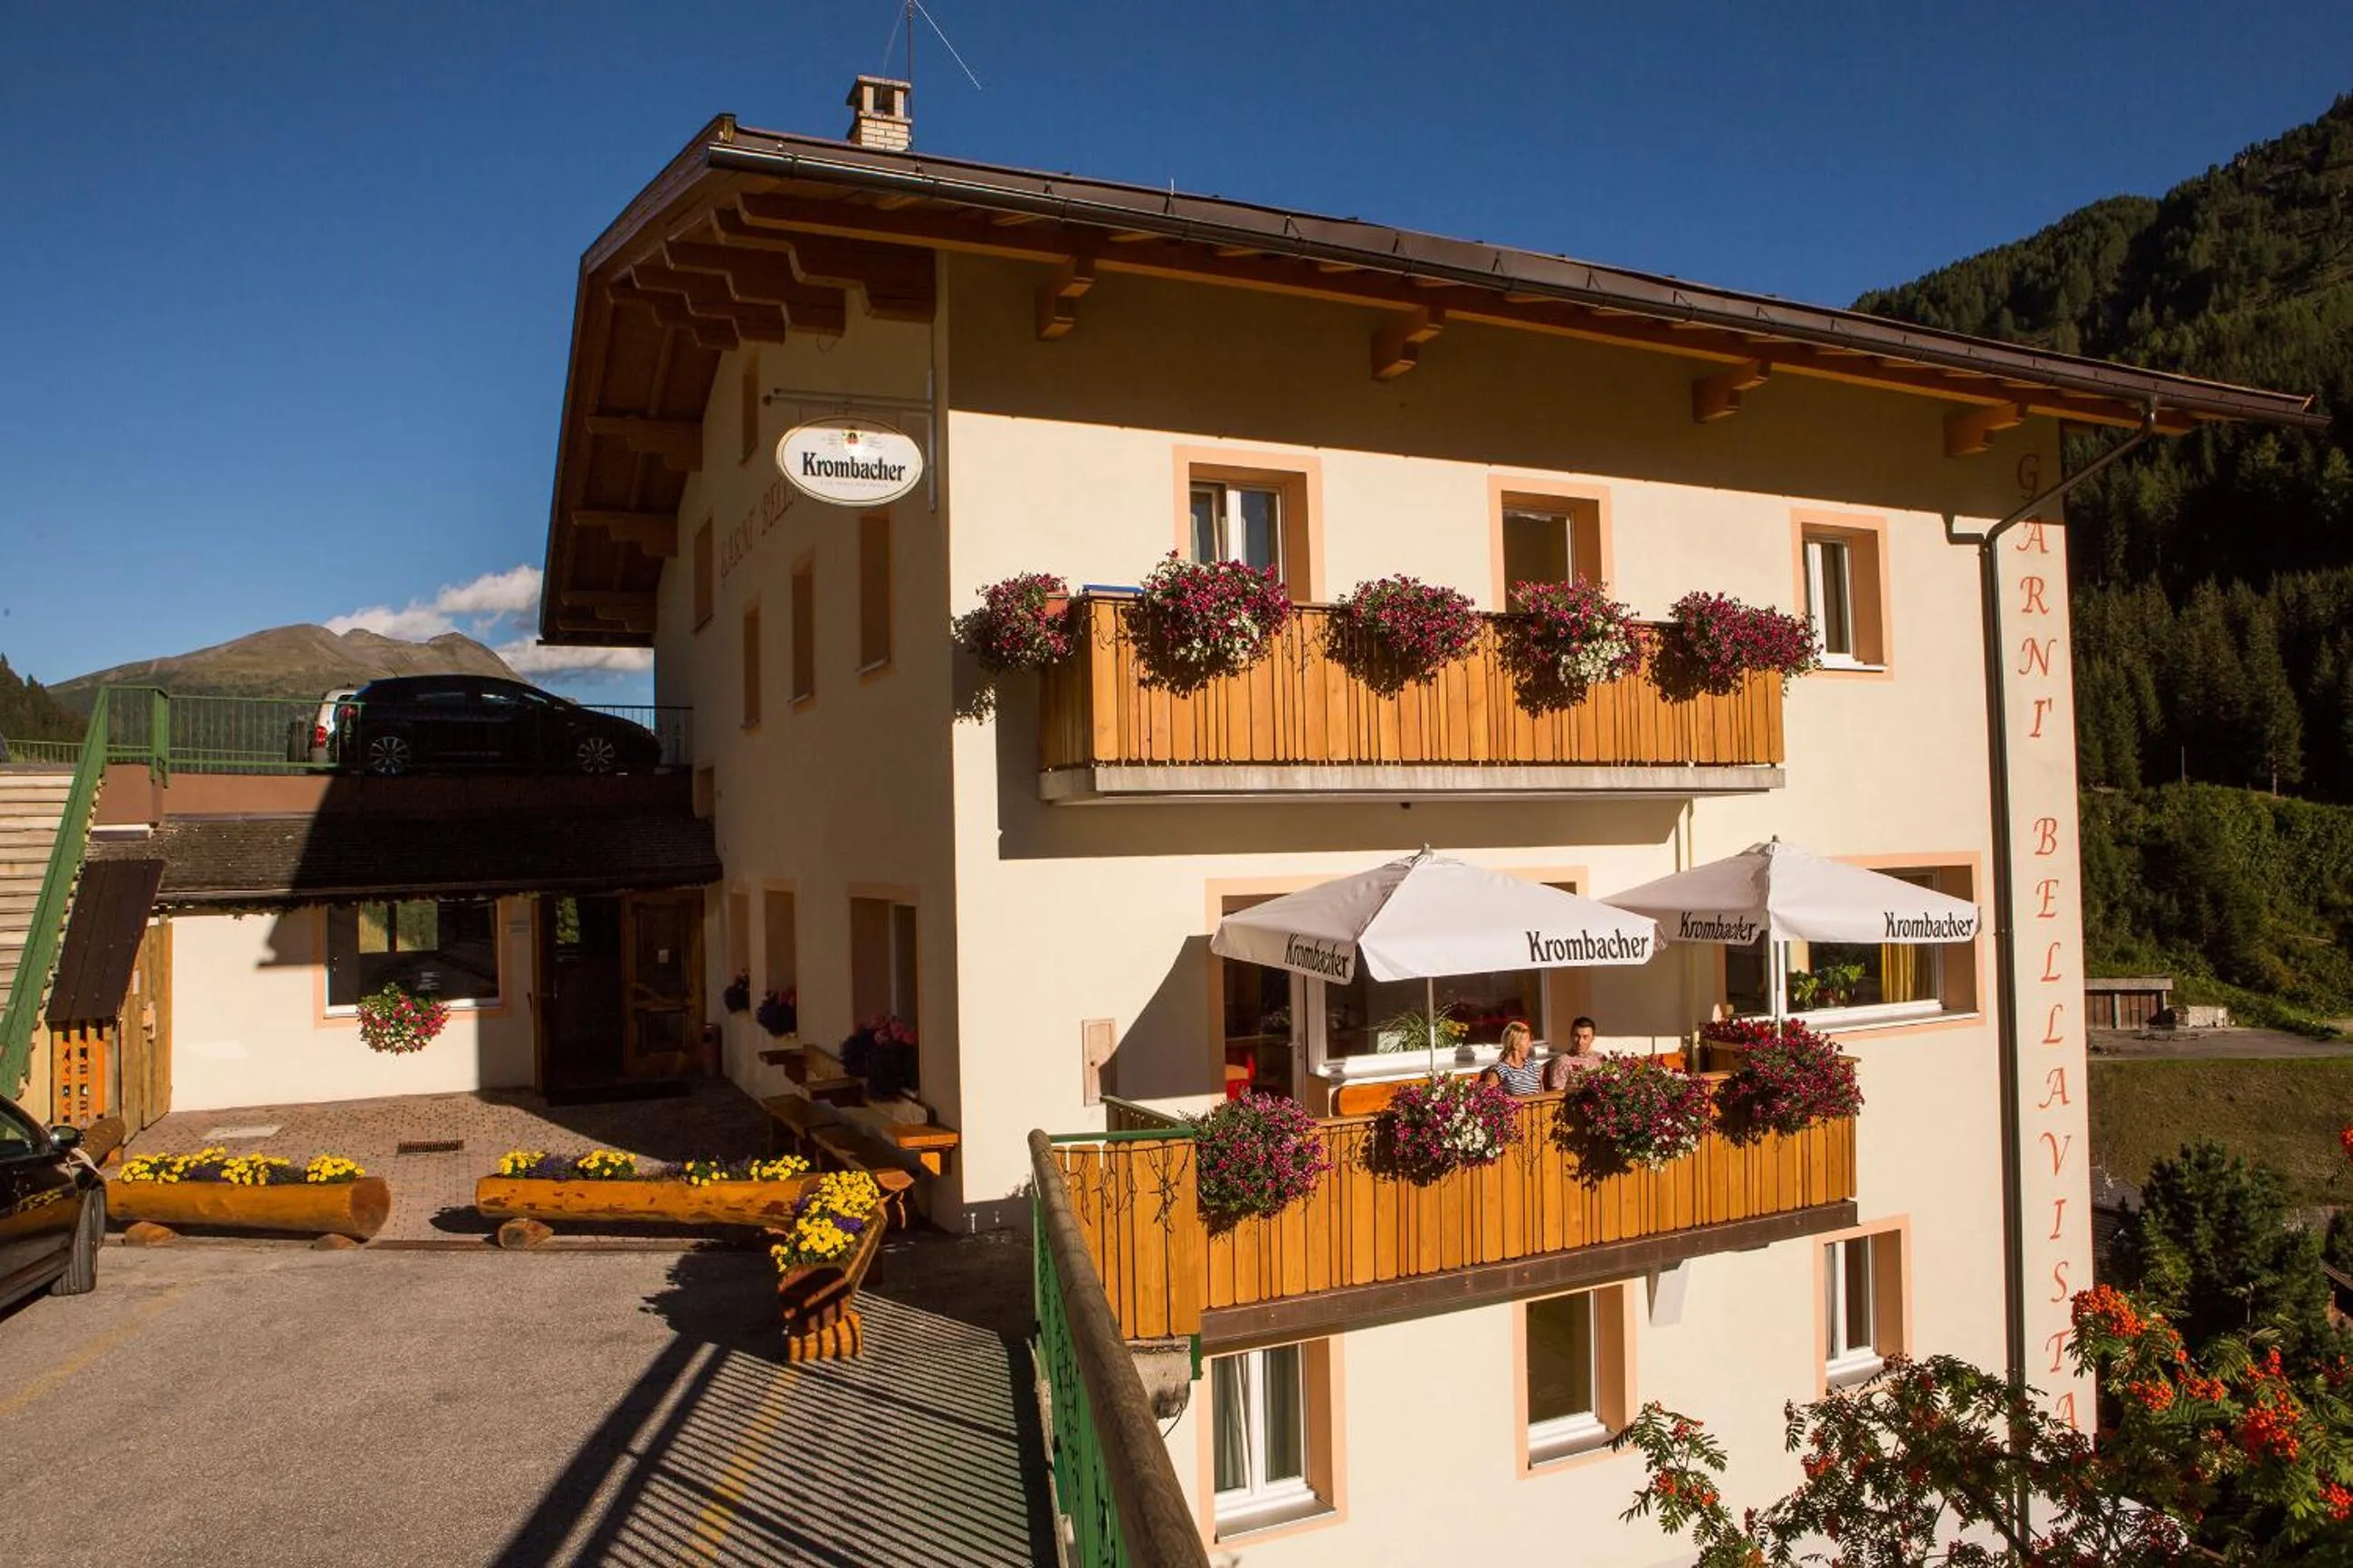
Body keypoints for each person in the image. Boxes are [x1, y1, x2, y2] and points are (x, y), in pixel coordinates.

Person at [1482, 1020, 1544, 1095]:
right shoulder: (1501, 1070)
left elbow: (1543, 1095)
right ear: (1515, 1044)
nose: (1530, 1045)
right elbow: (1485, 1097)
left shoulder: (1534, 1067)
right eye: (1527, 1041)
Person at [1541, 1016, 1600, 1091]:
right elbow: (1557, 1095)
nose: (1580, 1042)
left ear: (1592, 1038)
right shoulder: (1562, 1062)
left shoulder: (1600, 1058)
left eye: (1585, 1037)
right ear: (1571, 1036)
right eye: (1577, 1036)